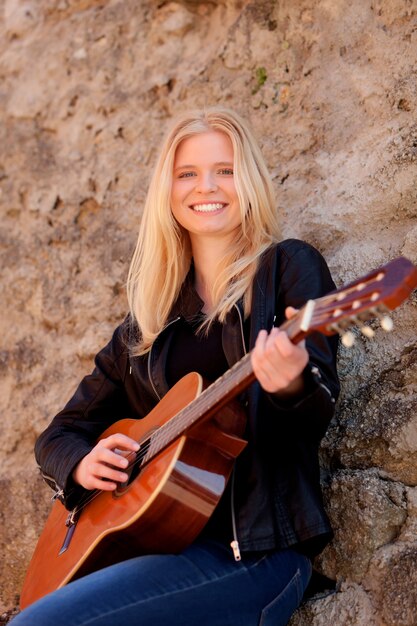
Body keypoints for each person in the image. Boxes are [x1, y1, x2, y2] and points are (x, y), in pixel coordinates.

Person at [13, 107, 339, 626]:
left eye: (225, 170)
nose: (205, 186)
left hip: (256, 557)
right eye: (187, 173)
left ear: (248, 179)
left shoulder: (288, 270)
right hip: (154, 554)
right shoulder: (148, 321)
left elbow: (315, 409)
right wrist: (80, 465)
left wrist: (291, 382)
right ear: (168, 191)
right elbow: (59, 433)